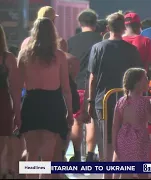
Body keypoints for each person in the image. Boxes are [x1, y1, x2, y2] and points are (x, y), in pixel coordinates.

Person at [17, 18, 72, 179]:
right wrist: (69, 111)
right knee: (48, 155)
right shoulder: (59, 56)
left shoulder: (24, 54)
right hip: (52, 103)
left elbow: (17, 86)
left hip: (31, 102)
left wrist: (16, 112)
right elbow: (66, 88)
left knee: (31, 152)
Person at [87, 12, 143, 164]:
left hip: (103, 101)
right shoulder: (131, 50)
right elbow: (139, 77)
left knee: (105, 140)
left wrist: (90, 101)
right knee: (125, 139)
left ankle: (107, 172)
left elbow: (93, 78)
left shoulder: (97, 48)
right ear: (123, 28)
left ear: (107, 28)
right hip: (126, 102)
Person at [112, 68, 151, 179]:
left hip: (123, 138)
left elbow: (115, 126)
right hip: (139, 139)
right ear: (137, 83)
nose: (148, 81)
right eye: (146, 79)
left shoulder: (121, 101)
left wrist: (115, 145)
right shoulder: (144, 102)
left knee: (125, 171)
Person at [67, 9, 102, 162]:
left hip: (76, 86)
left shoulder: (72, 41)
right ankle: (89, 155)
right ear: (95, 23)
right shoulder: (101, 40)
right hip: (95, 87)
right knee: (92, 120)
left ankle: (76, 154)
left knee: (76, 121)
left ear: (80, 23)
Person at [0, 24, 21, 178]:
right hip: (3, 103)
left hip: (4, 103)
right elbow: (15, 88)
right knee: (2, 141)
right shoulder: (8, 58)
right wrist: (17, 113)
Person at [123, 12, 151, 78]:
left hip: (122, 82)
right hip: (140, 81)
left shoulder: (119, 41)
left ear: (124, 26)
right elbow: (150, 67)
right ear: (140, 25)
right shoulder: (146, 41)